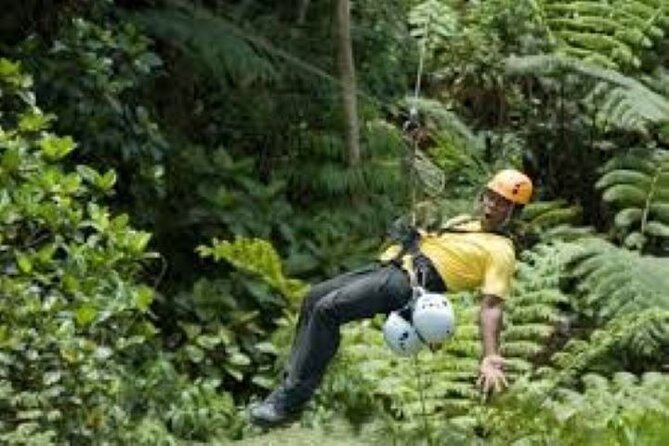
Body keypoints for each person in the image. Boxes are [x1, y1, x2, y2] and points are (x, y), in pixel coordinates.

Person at [249, 169, 533, 428]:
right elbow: (431, 241)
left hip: (405, 284)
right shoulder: (464, 223)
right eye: (491, 197)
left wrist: (491, 356)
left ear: (515, 212)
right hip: (390, 266)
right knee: (314, 298)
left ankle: (288, 403)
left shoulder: (501, 251)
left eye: (503, 203)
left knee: (327, 310)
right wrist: (411, 234)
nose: (492, 206)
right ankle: (288, 393)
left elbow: (492, 306)